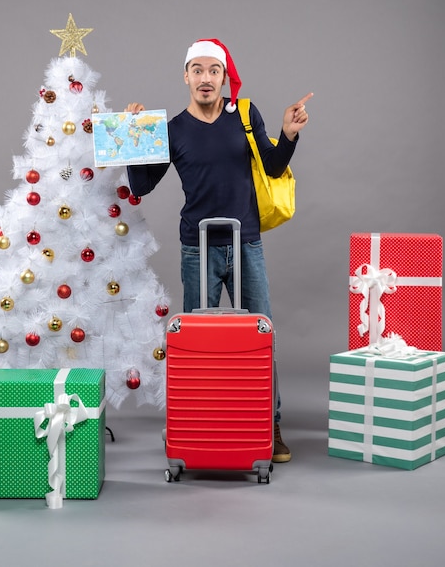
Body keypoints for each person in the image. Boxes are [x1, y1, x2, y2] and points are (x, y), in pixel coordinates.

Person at [126, 38, 312, 463]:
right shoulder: (172, 129)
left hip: (246, 243)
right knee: (198, 342)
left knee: (262, 339)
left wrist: (287, 134)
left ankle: (270, 424)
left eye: (214, 70)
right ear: (186, 76)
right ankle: (200, 422)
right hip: (197, 248)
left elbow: (274, 166)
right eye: (198, 70)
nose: (206, 78)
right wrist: (134, 137)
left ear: (224, 77)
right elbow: (139, 186)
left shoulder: (244, 115)